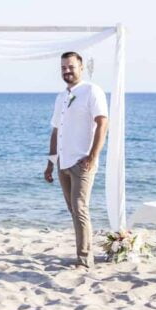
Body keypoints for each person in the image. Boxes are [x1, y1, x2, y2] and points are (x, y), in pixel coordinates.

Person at [43, 52, 109, 267]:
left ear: (81, 67)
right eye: (63, 67)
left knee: (80, 208)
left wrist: (93, 156)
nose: (67, 71)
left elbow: (103, 123)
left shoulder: (92, 91)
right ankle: (85, 251)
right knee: (74, 210)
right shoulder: (61, 97)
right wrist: (50, 163)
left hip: (82, 162)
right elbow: (56, 130)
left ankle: (84, 259)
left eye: (71, 66)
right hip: (63, 162)